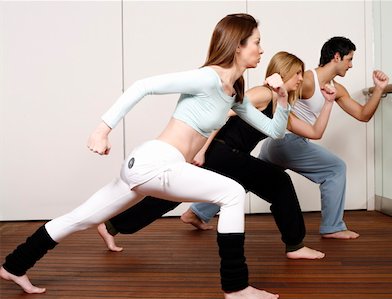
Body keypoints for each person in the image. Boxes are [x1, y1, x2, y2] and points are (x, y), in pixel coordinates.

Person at [0, 13, 289, 299]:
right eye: (257, 42)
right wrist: (102, 130)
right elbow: (143, 86)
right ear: (238, 45)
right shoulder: (207, 78)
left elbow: (275, 130)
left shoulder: (234, 94)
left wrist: (283, 98)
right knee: (234, 193)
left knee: (79, 219)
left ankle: (15, 264)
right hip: (158, 161)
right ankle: (237, 287)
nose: (262, 50)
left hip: (148, 166)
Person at [97, 51, 336, 260]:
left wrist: (328, 103)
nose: (301, 79)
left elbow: (315, 132)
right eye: (298, 74)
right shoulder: (262, 94)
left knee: (171, 195)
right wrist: (200, 150)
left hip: (227, 155)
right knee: (279, 182)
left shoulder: (282, 109)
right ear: (284, 73)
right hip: (220, 150)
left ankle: (112, 226)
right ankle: (295, 245)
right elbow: (220, 114)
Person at [259, 36, 389, 239]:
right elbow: (276, 97)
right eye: (349, 59)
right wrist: (290, 124)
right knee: (335, 169)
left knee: (249, 175)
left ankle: (198, 213)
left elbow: (363, 115)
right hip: (287, 142)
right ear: (337, 57)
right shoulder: (307, 80)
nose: (351, 65)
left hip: (274, 146)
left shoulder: (336, 89)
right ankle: (333, 227)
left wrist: (379, 89)